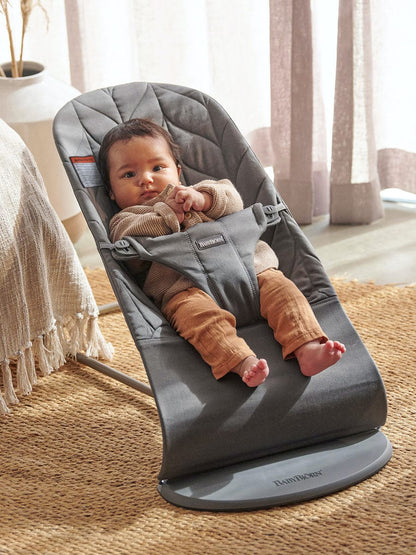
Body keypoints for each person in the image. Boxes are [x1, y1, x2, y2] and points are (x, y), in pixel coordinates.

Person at [98, 119, 345, 387]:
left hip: (251, 272)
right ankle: (241, 362)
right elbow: (129, 237)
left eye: (158, 168)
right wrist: (167, 214)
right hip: (184, 290)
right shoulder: (127, 218)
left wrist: (204, 199)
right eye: (128, 175)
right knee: (200, 322)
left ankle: (306, 346)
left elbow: (233, 199)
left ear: (178, 171)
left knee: (283, 291)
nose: (146, 179)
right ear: (111, 191)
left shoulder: (198, 192)